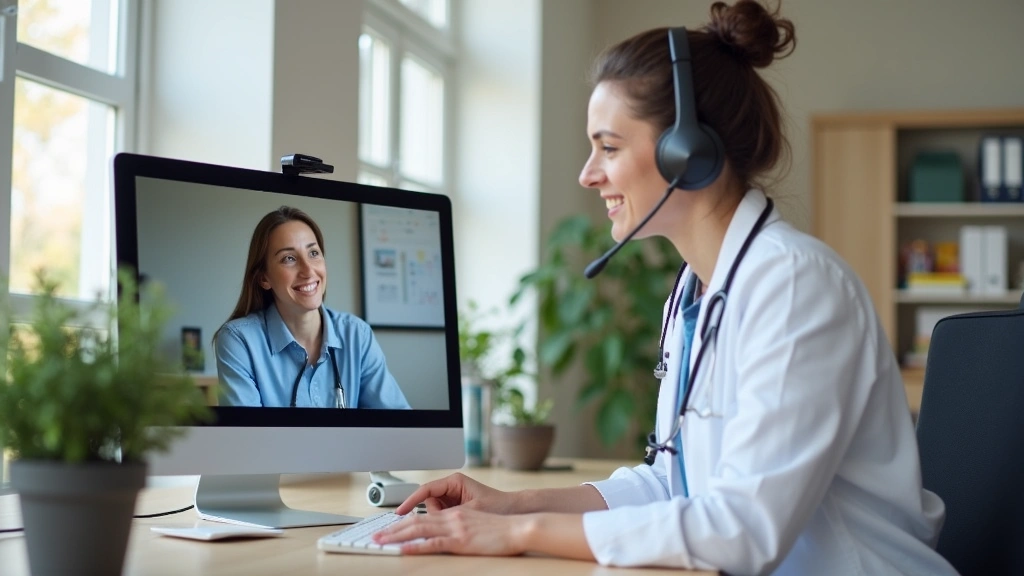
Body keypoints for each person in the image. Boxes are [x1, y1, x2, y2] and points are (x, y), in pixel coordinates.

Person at [373, 1, 957, 573]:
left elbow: (741, 531)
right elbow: (671, 480)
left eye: (608, 146)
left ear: (689, 152)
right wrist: (511, 504)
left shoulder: (794, 285)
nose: (587, 173)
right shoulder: (694, 292)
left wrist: (518, 533)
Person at [215, 206, 410, 410]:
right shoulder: (239, 340)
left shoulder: (357, 335)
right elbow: (247, 437)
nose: (308, 271)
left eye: (313, 253)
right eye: (289, 258)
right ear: (264, 278)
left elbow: (400, 427)